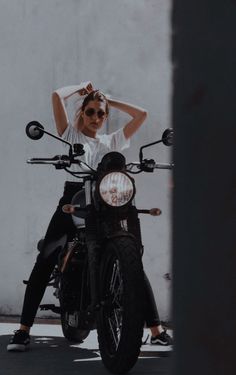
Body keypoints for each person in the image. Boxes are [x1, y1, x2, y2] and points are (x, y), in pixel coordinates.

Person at [7, 81, 172, 351]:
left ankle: (155, 330)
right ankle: (24, 329)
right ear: (82, 113)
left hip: (106, 200)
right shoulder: (71, 135)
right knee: (47, 256)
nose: (96, 118)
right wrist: (82, 88)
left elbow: (141, 115)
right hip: (75, 197)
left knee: (131, 261)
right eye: (91, 112)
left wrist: (109, 100)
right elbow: (56, 96)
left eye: (101, 114)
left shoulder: (113, 141)